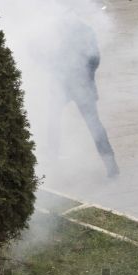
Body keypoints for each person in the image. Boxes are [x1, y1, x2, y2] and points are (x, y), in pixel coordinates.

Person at [48, 21, 119, 178]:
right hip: (66, 86)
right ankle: (51, 160)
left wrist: (83, 76)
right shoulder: (61, 27)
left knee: (94, 125)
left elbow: (95, 59)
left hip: (82, 86)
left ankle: (111, 165)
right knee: (52, 120)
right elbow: (55, 58)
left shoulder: (84, 31)